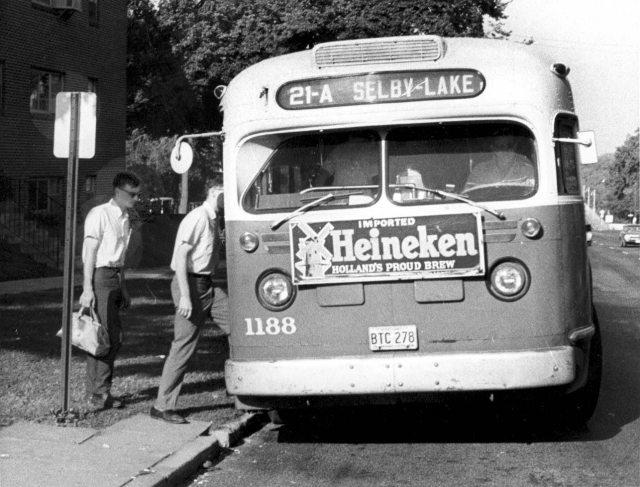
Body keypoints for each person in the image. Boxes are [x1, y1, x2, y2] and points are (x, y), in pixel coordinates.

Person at [150, 176, 230, 424]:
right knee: (184, 346)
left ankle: (243, 387)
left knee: (241, 328)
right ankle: (162, 406)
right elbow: (181, 256)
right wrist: (185, 296)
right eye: (226, 193)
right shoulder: (198, 217)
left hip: (208, 286)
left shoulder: (215, 219)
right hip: (191, 286)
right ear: (214, 192)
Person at [79, 171, 142, 410]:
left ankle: (95, 392)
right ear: (117, 192)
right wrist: (87, 288)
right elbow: (90, 254)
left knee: (105, 338)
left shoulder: (126, 218)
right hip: (100, 278)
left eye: (137, 194)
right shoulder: (100, 214)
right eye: (131, 194)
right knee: (106, 338)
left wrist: (123, 287)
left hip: (114, 278)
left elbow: (120, 258)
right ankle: (100, 393)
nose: (136, 199)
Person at [464, 134, 534, 191]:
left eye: (509, 146)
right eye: (501, 147)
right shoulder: (479, 171)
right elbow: (467, 194)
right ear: (493, 149)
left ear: (515, 147)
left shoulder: (528, 171)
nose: (506, 150)